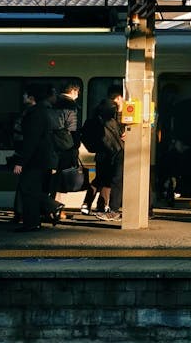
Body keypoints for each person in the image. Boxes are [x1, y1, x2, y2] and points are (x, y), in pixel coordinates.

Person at [10, 86, 58, 232]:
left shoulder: (34, 114)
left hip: (34, 160)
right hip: (42, 158)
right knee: (32, 189)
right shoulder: (43, 112)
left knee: (28, 190)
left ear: (32, 98)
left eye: (25, 95)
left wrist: (20, 161)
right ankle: (35, 221)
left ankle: (47, 209)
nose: (23, 97)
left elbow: (31, 141)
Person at [88, 84, 127, 221]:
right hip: (116, 152)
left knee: (114, 180)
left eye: (115, 99)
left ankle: (113, 210)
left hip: (118, 152)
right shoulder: (112, 117)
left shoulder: (122, 113)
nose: (113, 103)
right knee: (112, 180)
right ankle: (110, 208)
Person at [48, 79, 82, 223]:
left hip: (50, 146)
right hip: (65, 147)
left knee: (51, 179)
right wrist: (75, 146)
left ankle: (50, 207)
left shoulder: (52, 103)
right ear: (74, 91)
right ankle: (55, 208)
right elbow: (72, 128)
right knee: (60, 180)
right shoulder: (71, 106)